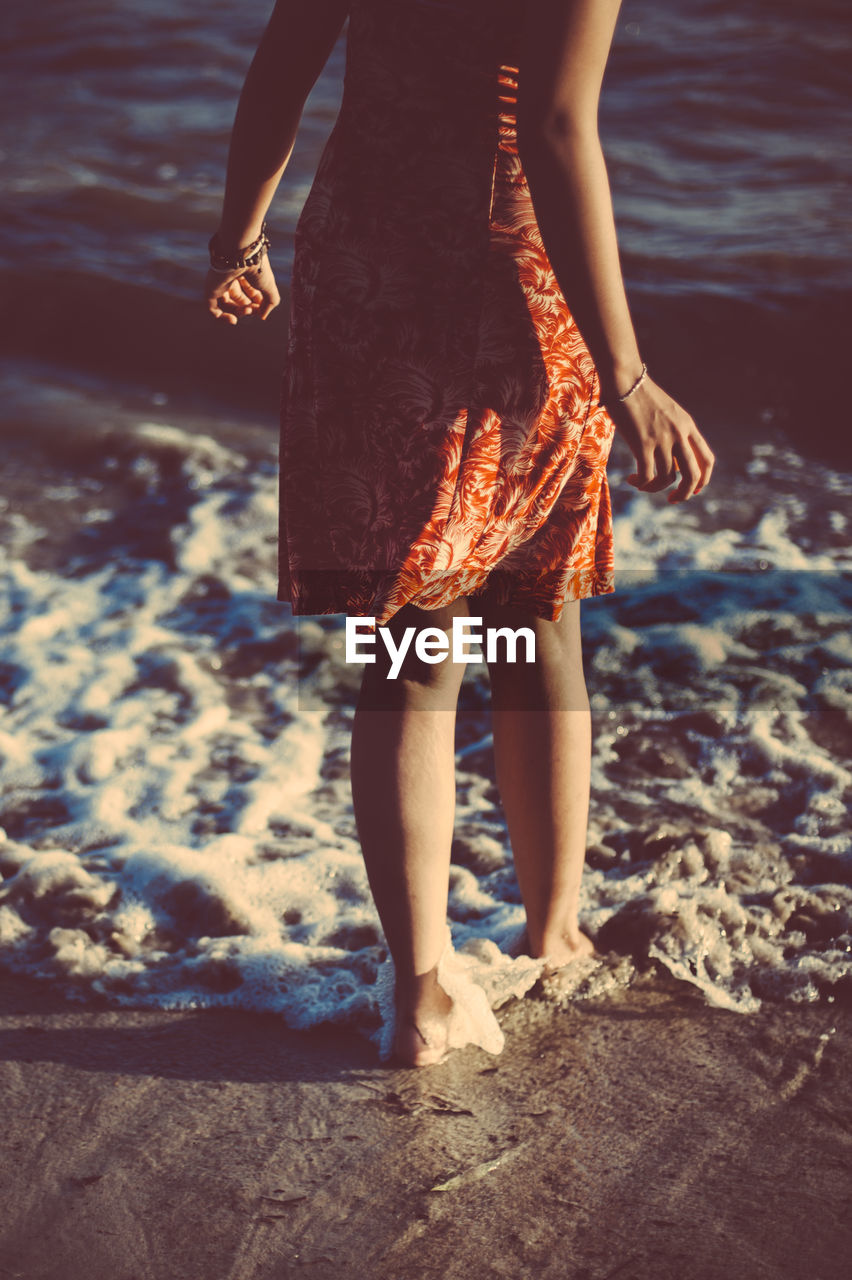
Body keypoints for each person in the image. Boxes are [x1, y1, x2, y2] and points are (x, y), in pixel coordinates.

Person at [204, 0, 715, 1066]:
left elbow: (287, 56)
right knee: (537, 601)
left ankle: (421, 990)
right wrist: (625, 375)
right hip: (508, 263)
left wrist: (238, 237)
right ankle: (553, 926)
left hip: (363, 251)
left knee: (413, 630)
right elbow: (557, 128)